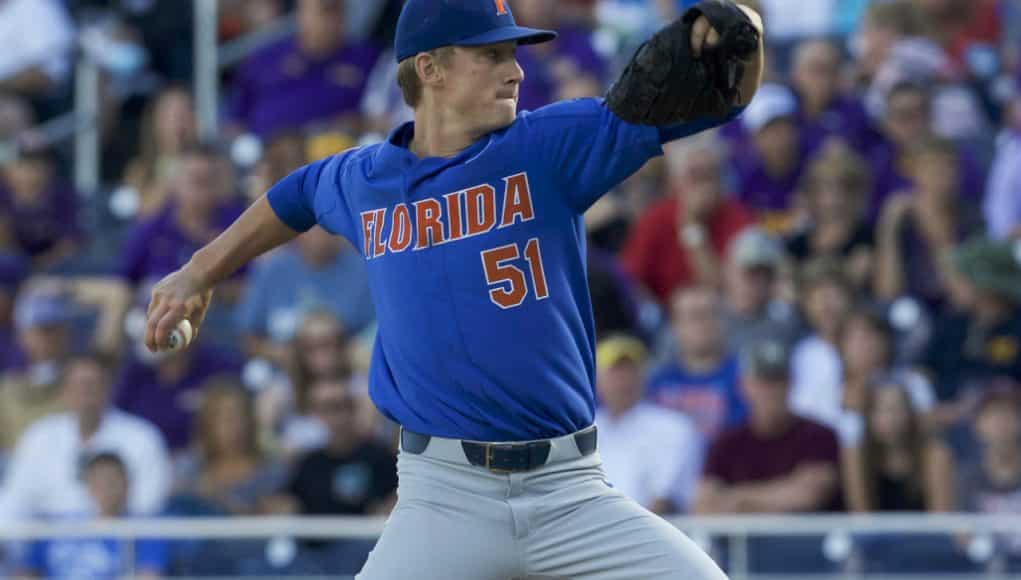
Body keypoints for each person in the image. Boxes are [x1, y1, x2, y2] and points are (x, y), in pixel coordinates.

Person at [143, 0, 766, 576]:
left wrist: (744, 25)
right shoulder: (365, 179)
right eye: (492, 54)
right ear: (431, 69)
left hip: (570, 492)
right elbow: (296, 194)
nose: (516, 70)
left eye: (515, 53)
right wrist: (202, 269)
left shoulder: (548, 146)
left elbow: (711, 97)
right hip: (442, 500)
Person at [0, 353, 171, 519]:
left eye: (92, 385)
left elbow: (149, 504)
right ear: (64, 392)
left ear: (108, 388)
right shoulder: (39, 436)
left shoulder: (142, 437)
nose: (85, 393)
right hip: (49, 540)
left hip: (120, 539)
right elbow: (16, 497)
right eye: (78, 385)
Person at [694, 336, 841, 514]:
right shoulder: (726, 443)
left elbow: (808, 495)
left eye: (778, 381)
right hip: (744, 541)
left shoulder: (819, 436)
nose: (771, 391)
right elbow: (704, 506)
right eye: (762, 382)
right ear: (744, 386)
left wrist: (737, 498)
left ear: (790, 384)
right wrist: (783, 493)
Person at [623, 132, 756, 302]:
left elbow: (728, 293)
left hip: (725, 319)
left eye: (710, 175)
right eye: (695, 176)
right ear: (676, 182)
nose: (704, 185)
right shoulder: (655, 219)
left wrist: (693, 228)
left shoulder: (738, 217)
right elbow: (631, 281)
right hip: (665, 319)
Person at [227, 0, 383, 138]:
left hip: (335, 155)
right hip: (266, 154)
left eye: (337, 10)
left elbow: (378, 117)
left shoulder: (365, 58)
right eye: (324, 10)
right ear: (301, 14)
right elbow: (234, 123)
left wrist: (358, 124)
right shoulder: (264, 59)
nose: (332, 21)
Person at [15, 453, 169, 580]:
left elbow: (149, 575)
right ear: (88, 485)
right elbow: (26, 572)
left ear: (127, 484)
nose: (106, 489)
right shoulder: (58, 527)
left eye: (112, 481)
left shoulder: (145, 532)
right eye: (99, 481)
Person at [237, 226, 374, 368]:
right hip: (282, 370)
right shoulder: (273, 269)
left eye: (326, 227)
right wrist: (283, 354)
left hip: (346, 368)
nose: (319, 235)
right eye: (311, 227)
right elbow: (247, 336)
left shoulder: (361, 269)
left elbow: (375, 330)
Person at [595, 335, 703, 514]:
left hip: (650, 533)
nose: (623, 380)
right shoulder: (585, 428)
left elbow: (665, 497)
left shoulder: (673, 426)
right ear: (598, 380)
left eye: (630, 371)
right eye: (615, 372)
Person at [170, 381, 289, 515]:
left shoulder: (273, 472)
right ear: (207, 423)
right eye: (226, 419)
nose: (236, 427)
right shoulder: (187, 469)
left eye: (242, 417)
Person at [646, 286, 748, 442]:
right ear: (675, 327)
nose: (703, 324)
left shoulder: (743, 379)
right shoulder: (658, 383)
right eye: (694, 316)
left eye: (709, 314)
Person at [842, 377, 955, 512]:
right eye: (881, 410)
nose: (891, 419)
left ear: (910, 415)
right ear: (869, 416)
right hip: (872, 532)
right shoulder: (856, 455)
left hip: (925, 531)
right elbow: (859, 516)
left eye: (897, 409)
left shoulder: (934, 455)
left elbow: (942, 517)